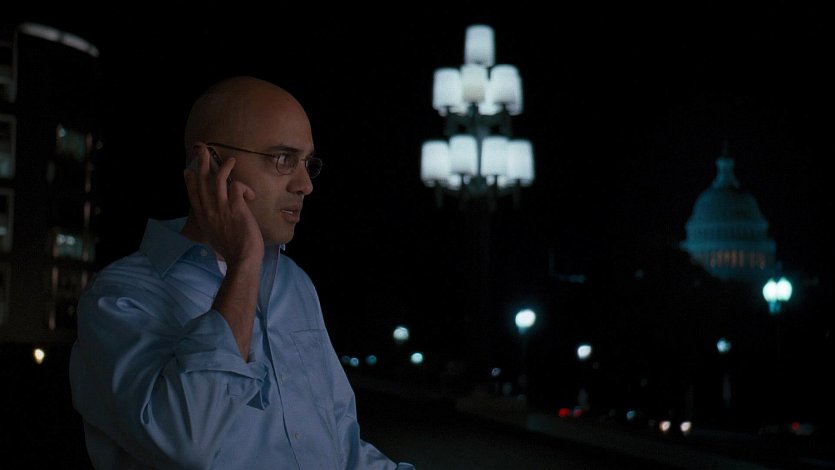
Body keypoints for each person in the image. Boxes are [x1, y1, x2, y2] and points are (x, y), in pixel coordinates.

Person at [69, 76, 414, 469]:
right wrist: (245, 262)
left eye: (308, 163)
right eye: (283, 159)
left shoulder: (294, 284)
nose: (305, 185)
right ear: (209, 163)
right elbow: (186, 443)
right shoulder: (119, 297)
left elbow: (339, 443)